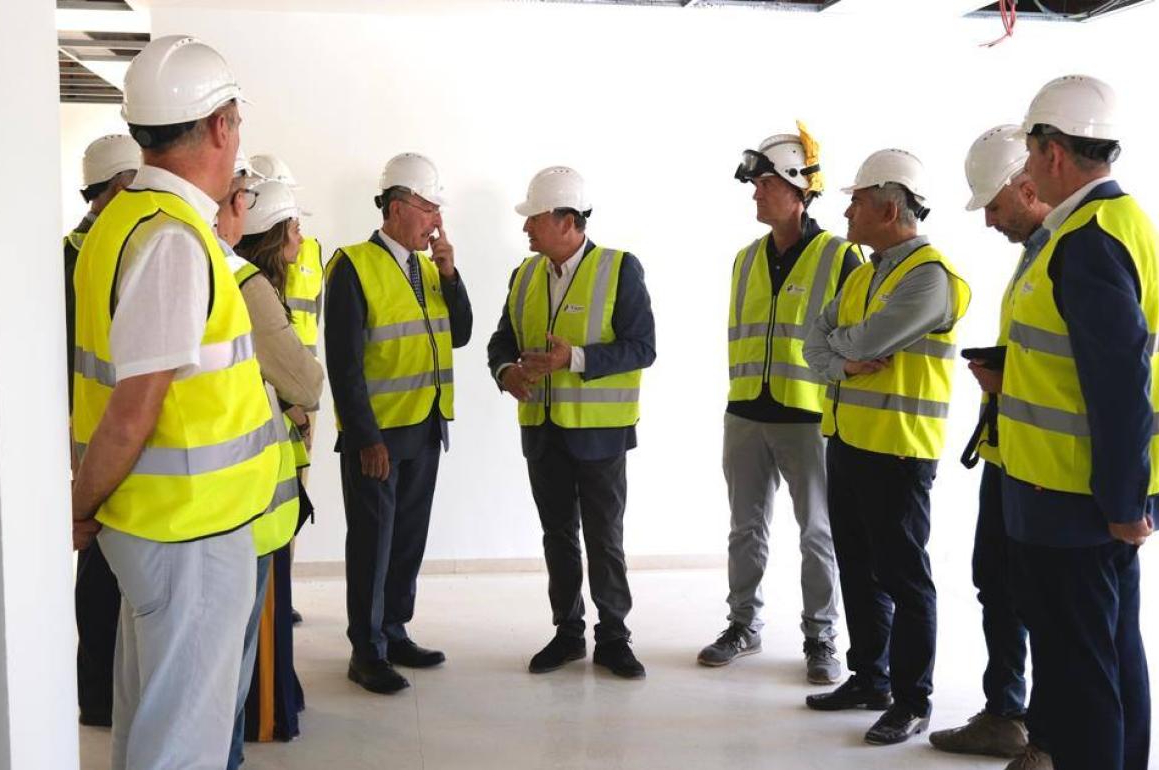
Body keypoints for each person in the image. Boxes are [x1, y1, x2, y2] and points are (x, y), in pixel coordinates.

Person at [70, 35, 279, 769]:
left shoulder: (119, 221)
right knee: (181, 748)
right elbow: (135, 408)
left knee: (151, 727)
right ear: (220, 126)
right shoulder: (175, 240)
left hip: (156, 524)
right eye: (237, 125)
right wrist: (80, 505)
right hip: (187, 531)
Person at [999, 74, 1159, 770]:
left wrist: (1123, 501)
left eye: (1029, 153)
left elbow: (1121, 385)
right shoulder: (1132, 225)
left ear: (1053, 151)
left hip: (1073, 506)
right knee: (1114, 660)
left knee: (1083, 679)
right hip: (1098, 504)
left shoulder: (1083, 242)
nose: (1025, 170)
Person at [802, 148, 971, 746]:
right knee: (857, 565)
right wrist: (842, 363)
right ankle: (869, 678)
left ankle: (911, 699)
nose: (846, 210)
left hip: (899, 449)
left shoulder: (930, 277)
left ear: (890, 207)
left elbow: (864, 336)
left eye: (856, 201)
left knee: (904, 576)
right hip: (849, 440)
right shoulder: (862, 273)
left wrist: (837, 348)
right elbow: (811, 342)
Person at [698, 125, 859, 683]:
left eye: (765, 183)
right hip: (745, 413)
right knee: (745, 528)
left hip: (808, 417)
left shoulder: (841, 258)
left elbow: (858, 337)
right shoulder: (745, 259)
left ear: (798, 189)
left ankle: (821, 637)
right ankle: (743, 625)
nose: (755, 193)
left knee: (818, 532)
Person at [487, 166, 656, 679]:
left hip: (600, 434)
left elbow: (642, 348)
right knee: (557, 535)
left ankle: (614, 637)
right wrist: (507, 371)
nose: (526, 229)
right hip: (542, 430)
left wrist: (573, 359)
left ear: (566, 220)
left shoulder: (620, 269)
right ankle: (567, 633)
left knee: (604, 535)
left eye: (534, 219)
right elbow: (501, 340)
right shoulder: (525, 275)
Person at [324, 153, 473, 694]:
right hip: (380, 437)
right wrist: (365, 438)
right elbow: (343, 363)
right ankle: (366, 650)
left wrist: (451, 273)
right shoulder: (353, 265)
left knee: (407, 538)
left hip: (426, 426)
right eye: (428, 208)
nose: (436, 220)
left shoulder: (430, 268)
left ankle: (394, 629)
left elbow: (460, 333)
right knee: (373, 543)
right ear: (396, 206)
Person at [221, 174, 323, 766]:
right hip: (249, 502)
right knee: (231, 670)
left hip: (232, 498)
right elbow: (305, 382)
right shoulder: (251, 287)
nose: (302, 237)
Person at [67, 132, 140, 729]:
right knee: (99, 569)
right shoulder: (78, 254)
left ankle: (106, 692)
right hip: (99, 436)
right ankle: (96, 696)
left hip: (116, 430)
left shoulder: (104, 247)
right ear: (116, 187)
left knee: (115, 568)